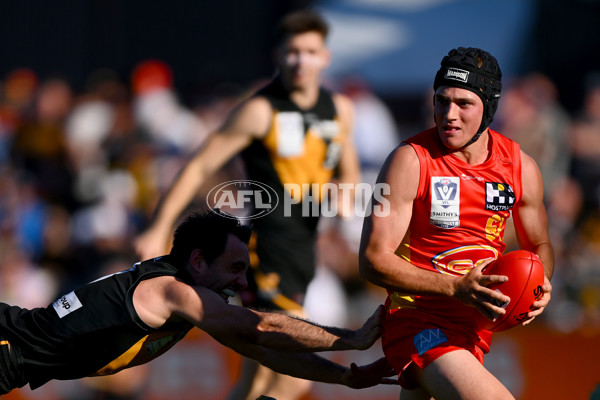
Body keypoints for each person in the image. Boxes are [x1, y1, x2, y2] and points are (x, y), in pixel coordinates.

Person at [134, 9, 359, 400]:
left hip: (303, 252)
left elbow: (349, 173)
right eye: (292, 52)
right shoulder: (260, 111)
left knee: (256, 378)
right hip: (265, 251)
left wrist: (345, 193)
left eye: (309, 51)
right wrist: (158, 227)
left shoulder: (340, 110)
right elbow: (201, 163)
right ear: (278, 55)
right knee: (294, 372)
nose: (300, 61)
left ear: (325, 57)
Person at [0, 210, 396, 395]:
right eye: (236, 267)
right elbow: (260, 327)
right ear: (198, 261)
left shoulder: (190, 297)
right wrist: (352, 339)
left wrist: (342, 377)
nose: (243, 281)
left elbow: (258, 347)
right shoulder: (173, 292)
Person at [358, 47, 554, 400]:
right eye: (441, 100)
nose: (449, 114)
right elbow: (372, 260)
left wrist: (543, 284)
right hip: (416, 319)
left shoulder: (520, 167)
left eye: (464, 104)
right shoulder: (409, 161)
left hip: (473, 327)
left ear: (489, 108)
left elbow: (539, 245)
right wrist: (454, 287)